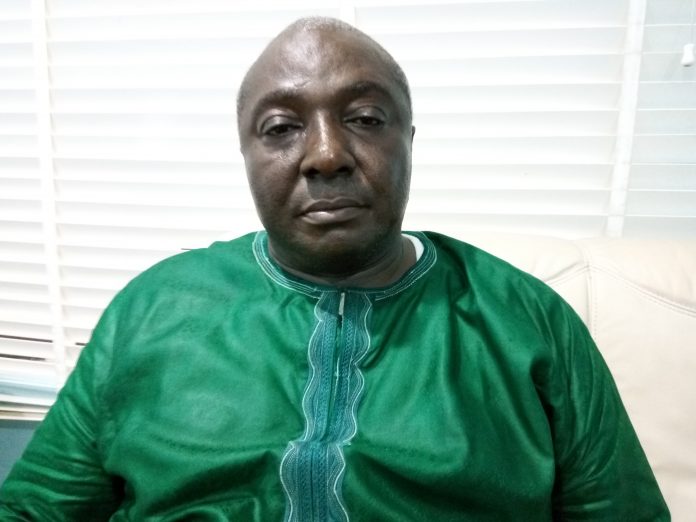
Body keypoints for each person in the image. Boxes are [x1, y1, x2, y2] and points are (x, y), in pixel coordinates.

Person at [0, 17, 669, 521]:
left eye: (365, 118)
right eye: (281, 128)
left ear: (408, 142)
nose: (326, 155)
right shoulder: (154, 307)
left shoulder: (527, 320)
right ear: (246, 156)